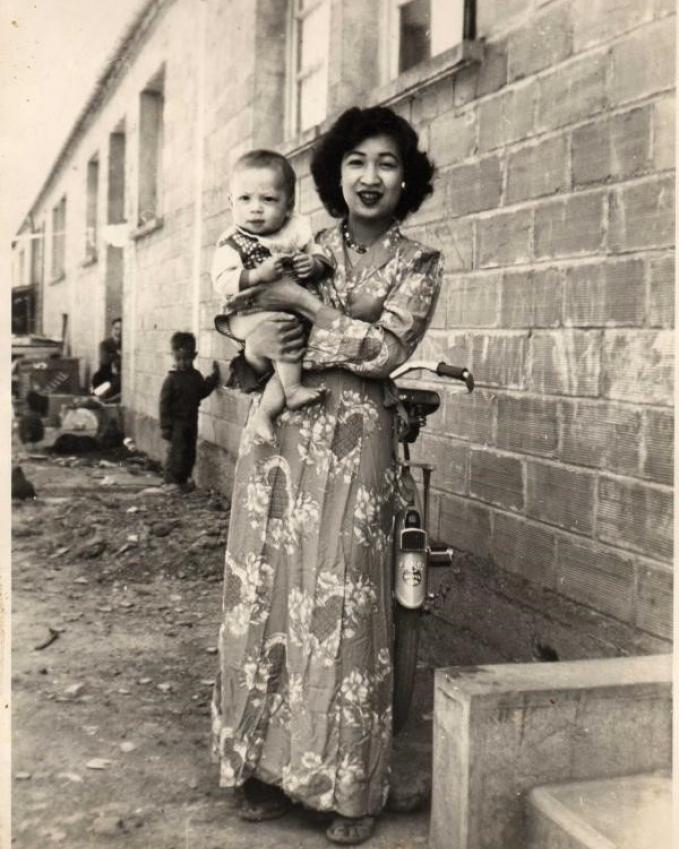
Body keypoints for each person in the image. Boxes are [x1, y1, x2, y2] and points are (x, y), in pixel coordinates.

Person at [211, 106, 442, 846]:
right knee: (269, 587)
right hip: (281, 436)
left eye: (383, 163)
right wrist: (254, 343)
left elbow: (380, 352)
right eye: (354, 162)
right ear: (333, 175)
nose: (368, 177)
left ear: (405, 178)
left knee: (343, 600)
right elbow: (243, 332)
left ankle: (347, 786)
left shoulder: (419, 263)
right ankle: (264, 766)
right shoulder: (297, 246)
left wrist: (310, 312)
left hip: (356, 440)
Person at [211, 149, 334, 443]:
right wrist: (255, 276)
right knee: (284, 347)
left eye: (268, 200)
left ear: (289, 204)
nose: (256, 209)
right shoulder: (232, 242)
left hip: (287, 314)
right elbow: (222, 280)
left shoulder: (295, 231)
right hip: (250, 311)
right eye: (245, 199)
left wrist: (314, 265)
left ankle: (267, 412)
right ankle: (288, 394)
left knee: (291, 352)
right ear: (231, 202)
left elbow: (320, 254)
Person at [159, 331, 220, 493]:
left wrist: (214, 378)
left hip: (191, 422)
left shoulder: (195, 376)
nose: (182, 363)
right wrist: (166, 427)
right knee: (176, 453)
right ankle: (171, 482)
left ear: (194, 356)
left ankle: (183, 480)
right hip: (176, 424)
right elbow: (163, 405)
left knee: (189, 452)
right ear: (173, 357)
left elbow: (202, 391)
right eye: (178, 359)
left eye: (186, 359)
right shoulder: (171, 380)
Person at [92, 317, 122, 400]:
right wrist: (117, 354)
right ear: (112, 329)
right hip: (104, 377)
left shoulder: (125, 344)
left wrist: (114, 356)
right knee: (98, 393)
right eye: (116, 329)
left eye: (121, 330)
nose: (119, 332)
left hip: (117, 379)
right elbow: (104, 360)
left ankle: (104, 398)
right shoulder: (104, 344)